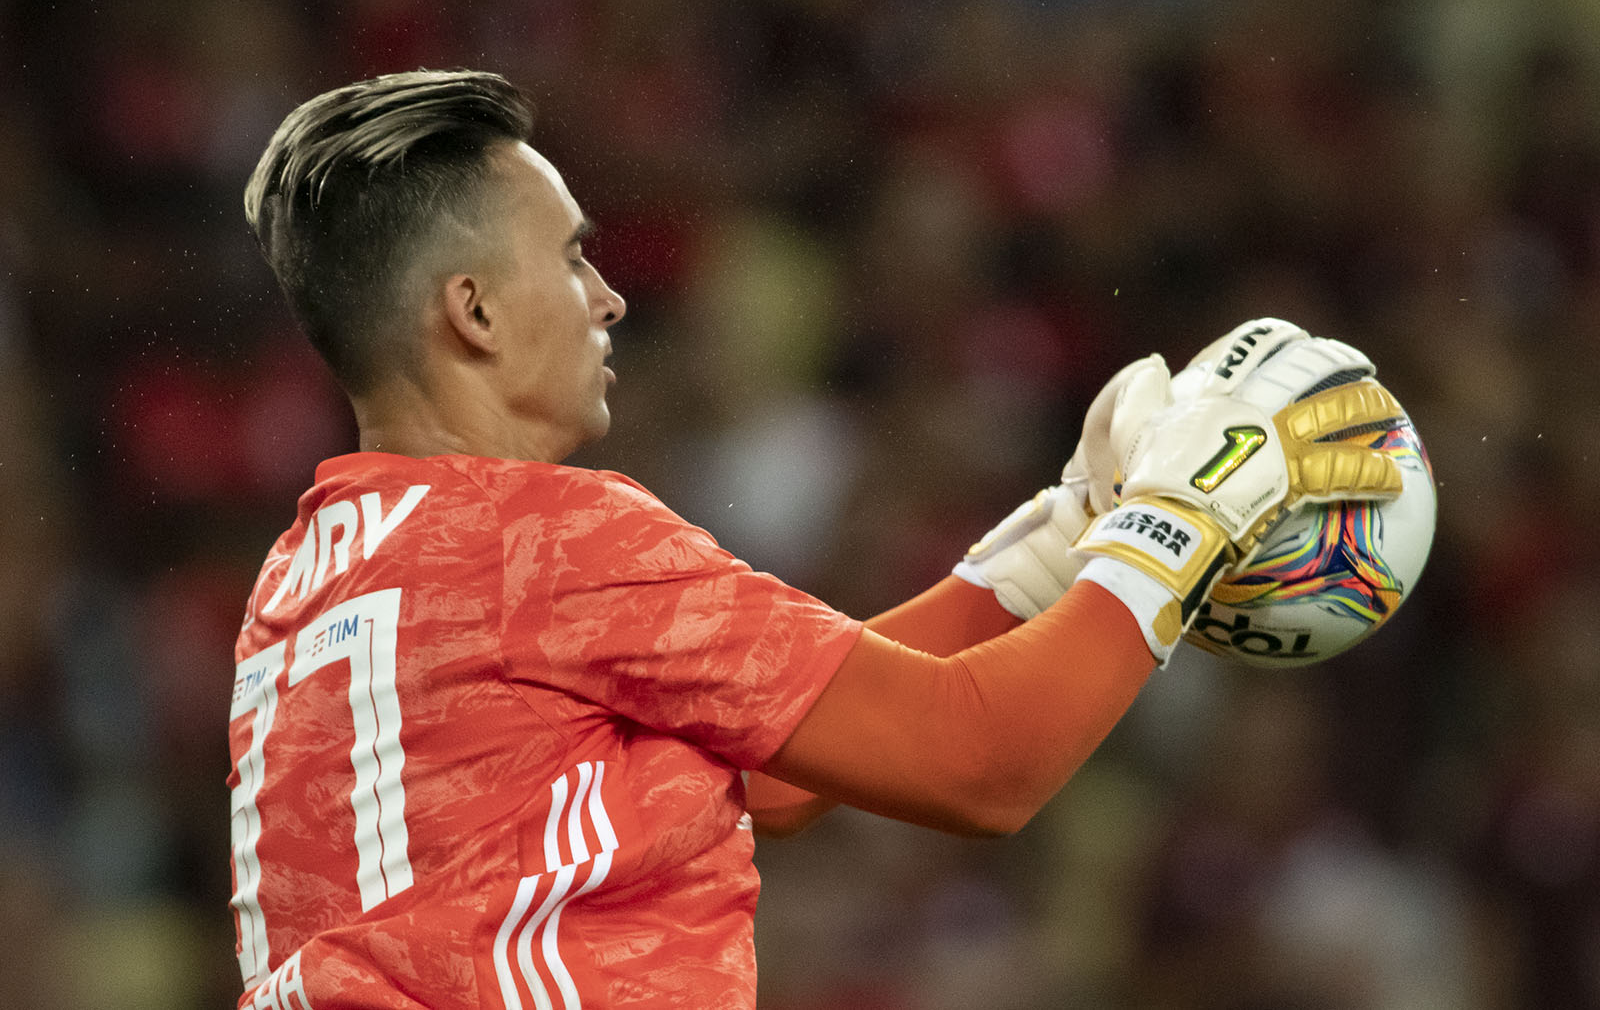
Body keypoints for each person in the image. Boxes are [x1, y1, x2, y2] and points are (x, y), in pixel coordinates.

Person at [228, 69, 1403, 1010]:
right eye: (573, 256)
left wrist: (1054, 547)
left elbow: (761, 773)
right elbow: (980, 762)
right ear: (474, 308)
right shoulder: (543, 536)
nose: (608, 297)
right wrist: (1183, 518)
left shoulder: (298, 583)